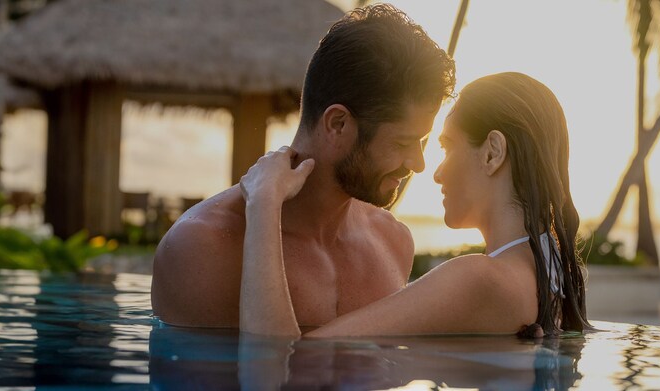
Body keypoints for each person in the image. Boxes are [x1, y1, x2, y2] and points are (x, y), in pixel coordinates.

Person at [151, 4, 455, 328]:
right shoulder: (200, 250)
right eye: (402, 143)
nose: (418, 164)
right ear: (337, 124)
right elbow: (256, 374)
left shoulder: (393, 243)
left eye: (421, 142)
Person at [237, 72, 589, 337]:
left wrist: (264, 201)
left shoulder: (479, 279)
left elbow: (281, 361)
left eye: (448, 145)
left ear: (493, 153)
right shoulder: (551, 277)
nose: (434, 173)